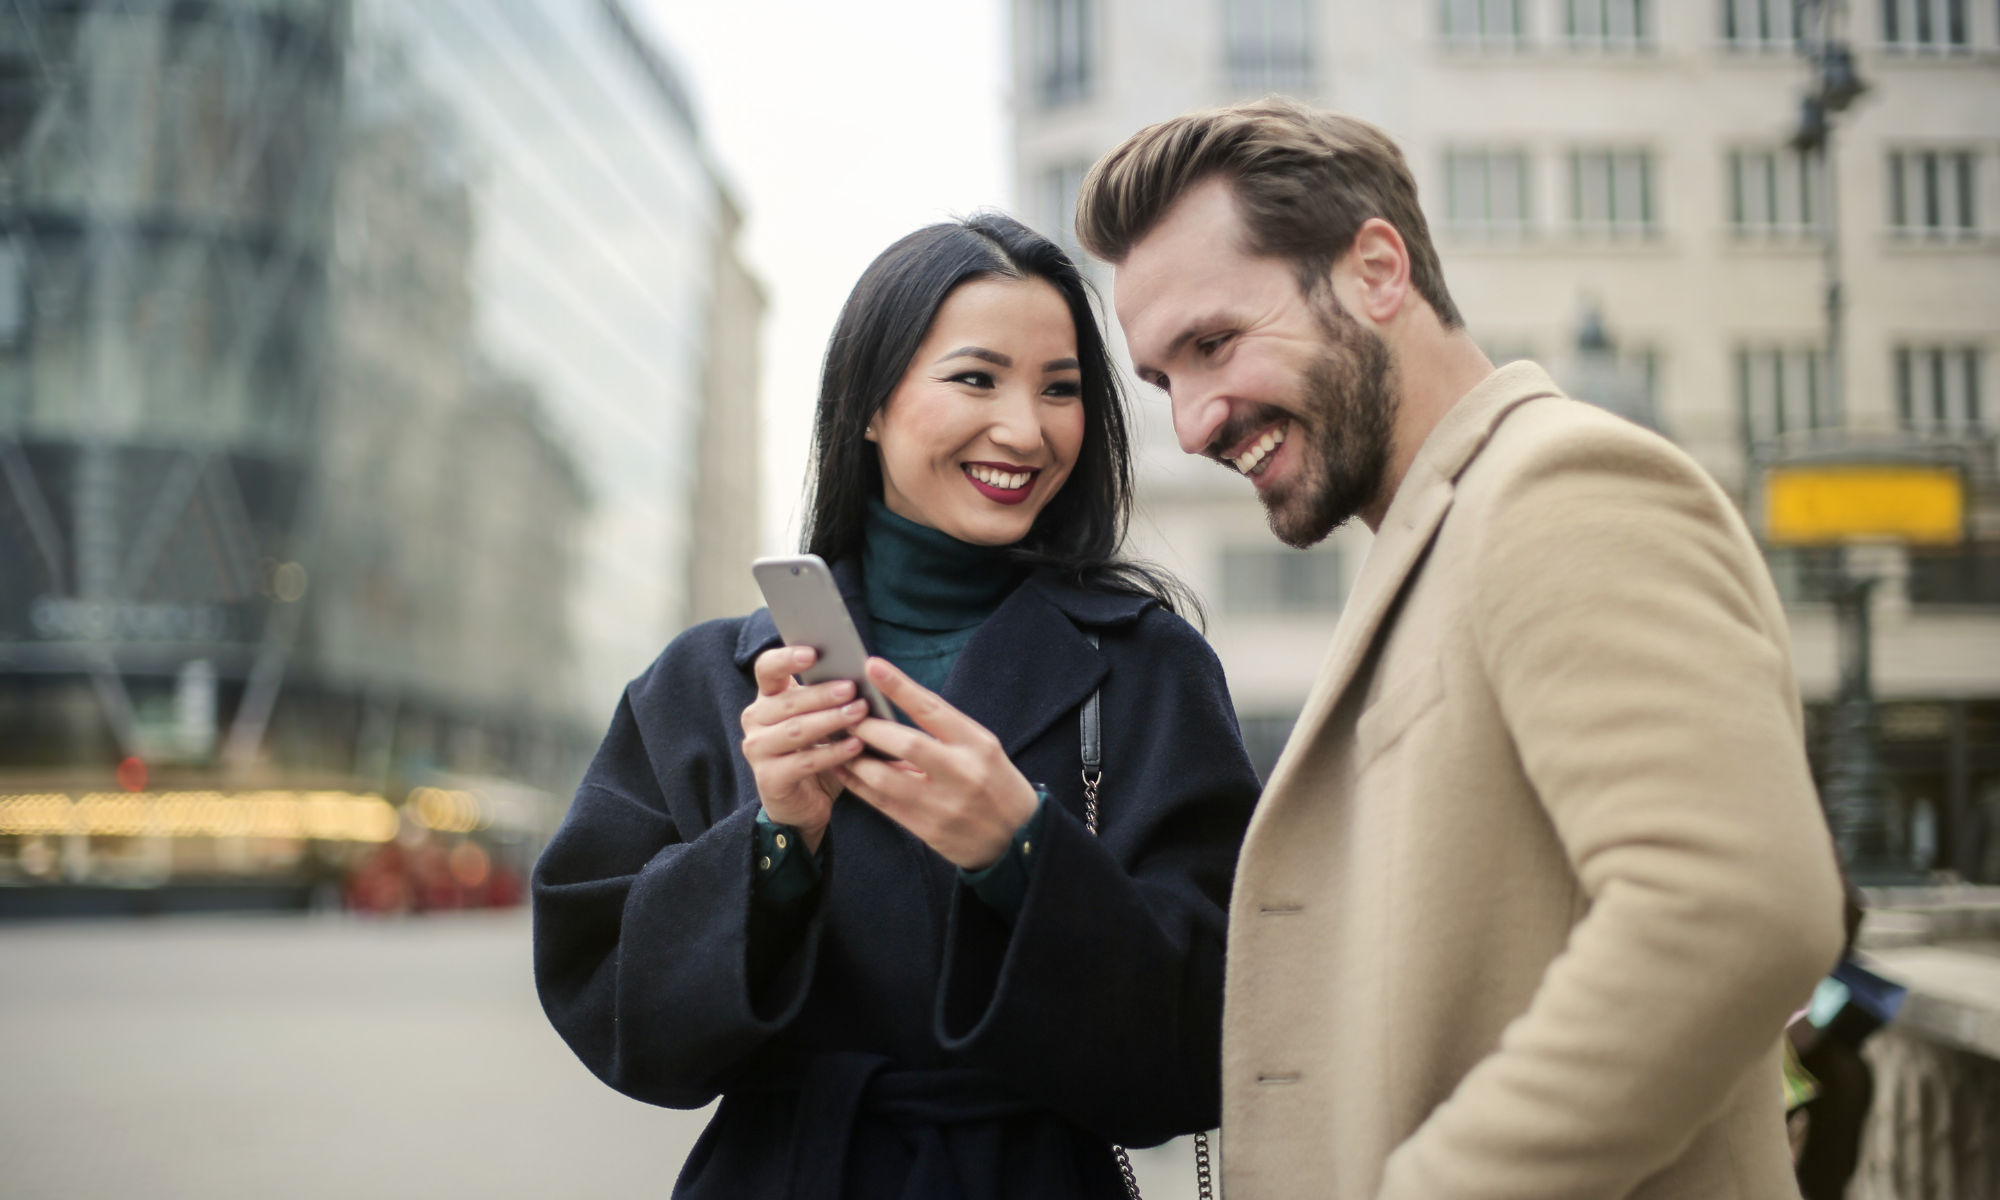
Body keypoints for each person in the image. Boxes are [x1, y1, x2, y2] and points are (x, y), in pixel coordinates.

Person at [1075, 98, 1848, 1199]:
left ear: (1376, 270)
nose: (1194, 422)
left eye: (1212, 345)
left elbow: (1732, 909)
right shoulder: (1438, 535)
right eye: (1163, 382)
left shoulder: (1555, 486)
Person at [533, 213, 1259, 1199]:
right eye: (975, 377)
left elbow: (1219, 1026)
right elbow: (614, 1012)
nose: (1025, 428)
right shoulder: (708, 681)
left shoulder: (1147, 667)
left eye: (1060, 388)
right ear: (869, 404)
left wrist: (1023, 852)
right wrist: (776, 844)